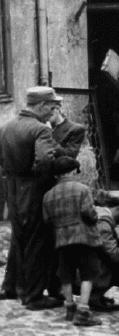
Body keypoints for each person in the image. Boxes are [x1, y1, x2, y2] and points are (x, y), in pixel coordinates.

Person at [0, 86, 63, 309]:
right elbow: (45, 161)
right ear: (41, 105)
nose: (53, 111)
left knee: (19, 236)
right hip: (34, 188)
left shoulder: (6, 126)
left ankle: (9, 287)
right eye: (52, 106)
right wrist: (49, 171)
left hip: (12, 188)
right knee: (37, 240)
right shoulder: (40, 130)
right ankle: (33, 296)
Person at [42, 156, 102, 326]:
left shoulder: (48, 195)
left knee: (65, 275)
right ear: (73, 171)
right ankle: (83, 311)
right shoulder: (82, 189)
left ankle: (70, 308)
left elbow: (47, 220)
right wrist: (96, 215)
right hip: (84, 238)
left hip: (62, 240)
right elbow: (88, 213)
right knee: (87, 274)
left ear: (56, 175)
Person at [86, 191, 119, 311]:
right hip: (85, 271)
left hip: (82, 265)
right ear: (118, 208)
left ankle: (97, 294)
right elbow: (114, 256)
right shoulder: (103, 222)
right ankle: (94, 297)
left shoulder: (98, 212)